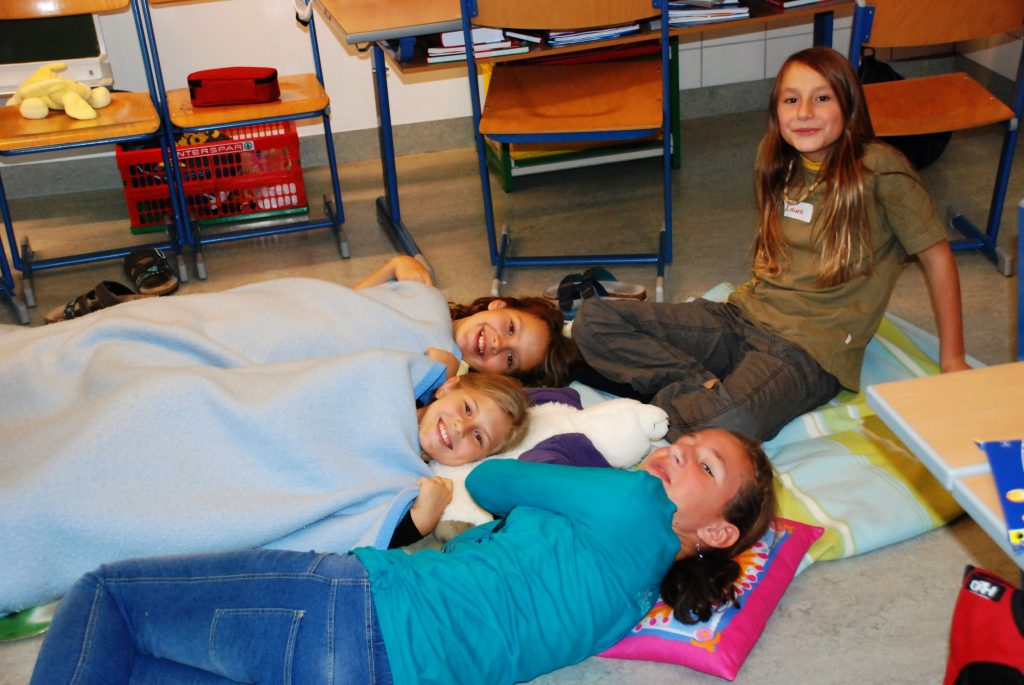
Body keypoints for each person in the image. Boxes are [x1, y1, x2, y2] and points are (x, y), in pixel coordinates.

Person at [29, 428, 777, 685]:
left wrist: (592, 467)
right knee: (139, 666)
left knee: (107, 597)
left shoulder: (636, 502)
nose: (679, 452)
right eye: (686, 442)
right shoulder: (633, 596)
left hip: (359, 609)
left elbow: (490, 480)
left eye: (705, 466)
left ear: (717, 533)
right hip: (384, 671)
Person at [571, 47, 970, 443]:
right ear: (776, 111)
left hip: (807, 349)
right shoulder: (776, 159)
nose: (805, 112)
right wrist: (695, 377)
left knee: (729, 422)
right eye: (791, 100)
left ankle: (667, 401)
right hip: (740, 317)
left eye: (822, 98)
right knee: (592, 320)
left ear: (849, 106)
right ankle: (697, 385)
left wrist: (953, 359)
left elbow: (937, 258)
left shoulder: (881, 168)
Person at [357, 255, 579, 387]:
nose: (499, 344)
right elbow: (346, 305)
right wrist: (395, 266)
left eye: (510, 359)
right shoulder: (425, 297)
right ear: (499, 305)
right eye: (511, 328)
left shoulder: (449, 390)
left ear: (498, 377)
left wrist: (432, 382)